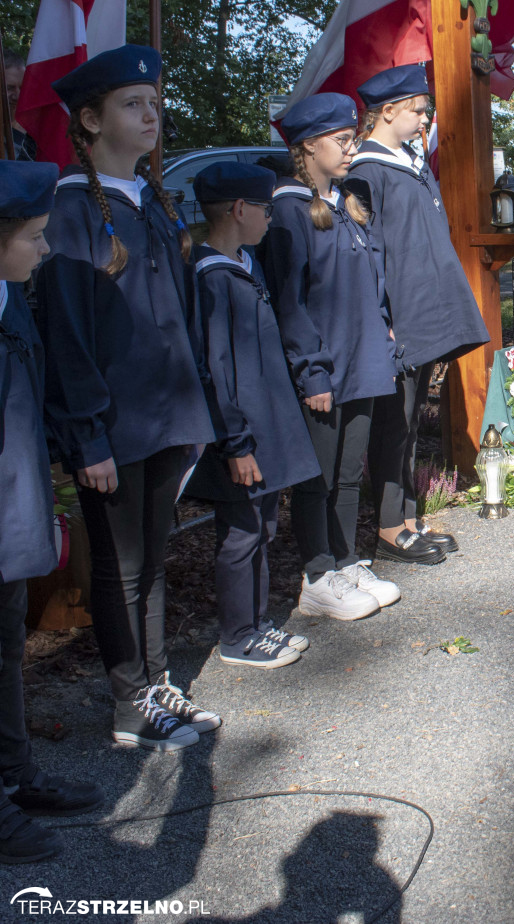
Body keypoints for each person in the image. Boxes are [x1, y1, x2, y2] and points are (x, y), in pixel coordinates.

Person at [36, 45, 220, 751]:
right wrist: (86, 435)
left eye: (154, 101)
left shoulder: (153, 201)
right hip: (113, 423)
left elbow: (179, 320)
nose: (152, 114)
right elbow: (68, 332)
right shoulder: (71, 210)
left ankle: (155, 678)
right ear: (89, 119)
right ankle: (128, 703)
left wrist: (196, 410)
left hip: (166, 413)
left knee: (153, 554)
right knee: (122, 564)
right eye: (132, 104)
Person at [261, 93, 401, 620]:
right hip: (325, 369)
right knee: (316, 479)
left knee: (347, 474)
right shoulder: (289, 212)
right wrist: (311, 369)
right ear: (308, 146)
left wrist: (384, 327)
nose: (350, 148)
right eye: (341, 141)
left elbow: (369, 282)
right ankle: (317, 573)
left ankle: (345, 560)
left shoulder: (348, 205)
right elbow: (290, 302)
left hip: (364, 361)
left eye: (351, 139)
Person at [0, 160, 104, 864]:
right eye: (34, 236)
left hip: (13, 515)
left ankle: (14, 776)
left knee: (5, 654)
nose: (44, 249)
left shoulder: (10, 302)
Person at [348, 64, 490, 565]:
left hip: (425, 312)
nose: (424, 116)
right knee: (394, 423)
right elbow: (369, 249)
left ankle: (407, 517)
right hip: (399, 317)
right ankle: (389, 528)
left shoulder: (409, 161)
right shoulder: (366, 171)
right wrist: (381, 315)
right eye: (417, 109)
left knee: (409, 423)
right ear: (387, 111)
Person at [186, 162, 320, 666]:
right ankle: (238, 635)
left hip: (264, 428)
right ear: (240, 209)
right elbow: (215, 369)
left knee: (262, 527)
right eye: (264, 208)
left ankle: (259, 623)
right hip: (239, 434)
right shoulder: (210, 276)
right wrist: (235, 443)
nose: (270, 217)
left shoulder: (244, 262)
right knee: (242, 532)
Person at [3, 53, 36, 161]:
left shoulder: (32, 126)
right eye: (10, 88)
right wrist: (16, 134)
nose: (18, 96)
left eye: (22, 88)